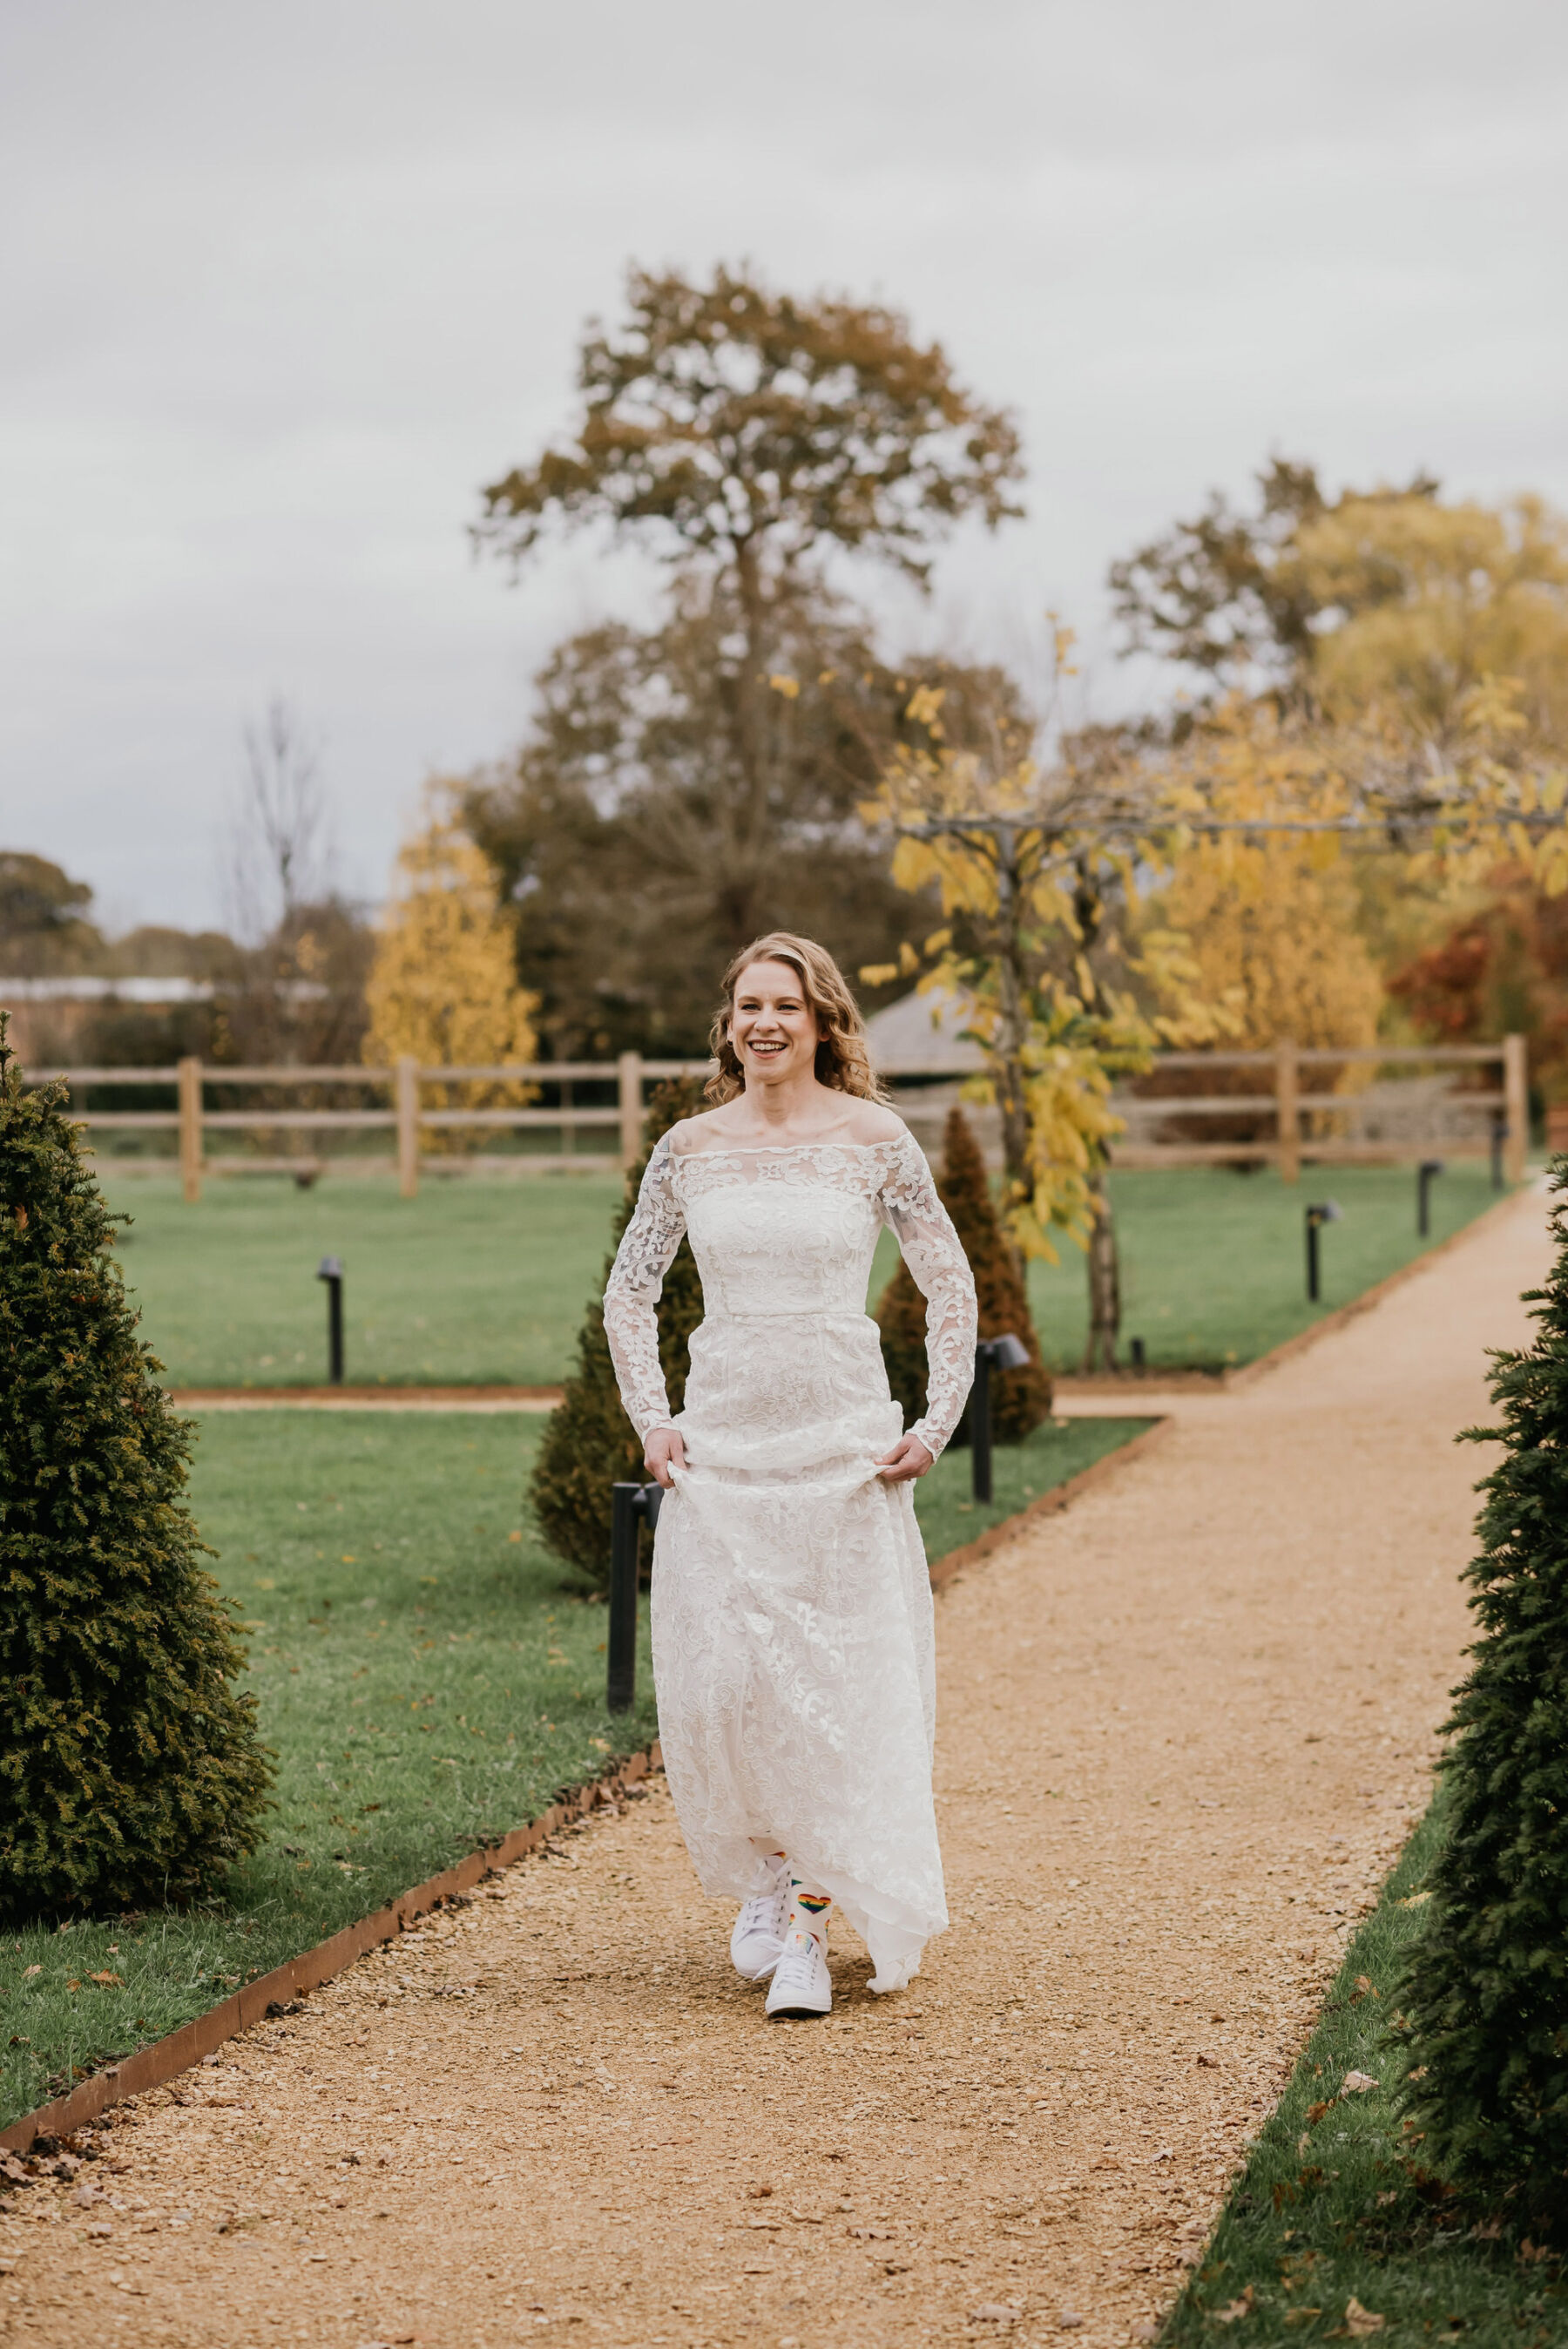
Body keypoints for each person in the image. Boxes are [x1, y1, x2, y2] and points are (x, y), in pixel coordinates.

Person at [604, 932, 978, 2019]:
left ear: (822, 1022)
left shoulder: (875, 1139)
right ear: (729, 1023)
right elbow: (631, 1292)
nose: (765, 1021)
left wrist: (934, 1420)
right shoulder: (689, 1147)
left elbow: (948, 1285)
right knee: (735, 1687)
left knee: (844, 1693)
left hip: (842, 1453)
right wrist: (653, 1420)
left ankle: (813, 1924)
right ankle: (768, 1875)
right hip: (723, 1453)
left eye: (787, 1004)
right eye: (749, 1004)